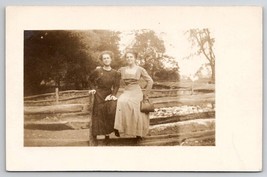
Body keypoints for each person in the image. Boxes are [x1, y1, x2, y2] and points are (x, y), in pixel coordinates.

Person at [114, 50, 153, 141]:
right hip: (127, 91)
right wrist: (100, 69)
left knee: (136, 108)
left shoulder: (140, 69)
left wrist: (145, 94)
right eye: (127, 57)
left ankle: (138, 134)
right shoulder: (122, 69)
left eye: (131, 57)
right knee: (120, 102)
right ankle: (118, 128)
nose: (129, 59)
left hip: (136, 91)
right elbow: (113, 77)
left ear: (135, 58)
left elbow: (150, 81)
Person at [88, 51, 120, 142]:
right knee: (100, 114)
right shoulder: (98, 71)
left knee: (112, 110)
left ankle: (114, 129)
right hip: (99, 94)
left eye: (108, 58)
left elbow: (117, 85)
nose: (106, 60)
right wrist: (93, 88)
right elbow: (90, 80)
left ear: (111, 59)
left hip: (109, 94)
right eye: (104, 58)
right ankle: (102, 137)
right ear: (102, 60)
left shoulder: (115, 73)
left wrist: (113, 95)